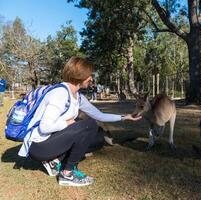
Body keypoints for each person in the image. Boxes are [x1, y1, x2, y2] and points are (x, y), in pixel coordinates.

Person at [18, 56, 142, 186]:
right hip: (38, 147)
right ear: (80, 75)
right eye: (89, 75)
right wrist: (68, 123)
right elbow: (45, 127)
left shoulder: (77, 96)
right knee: (88, 125)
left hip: (50, 141)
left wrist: (125, 117)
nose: (91, 78)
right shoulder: (60, 93)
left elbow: (99, 115)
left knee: (98, 139)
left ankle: (55, 161)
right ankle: (67, 174)